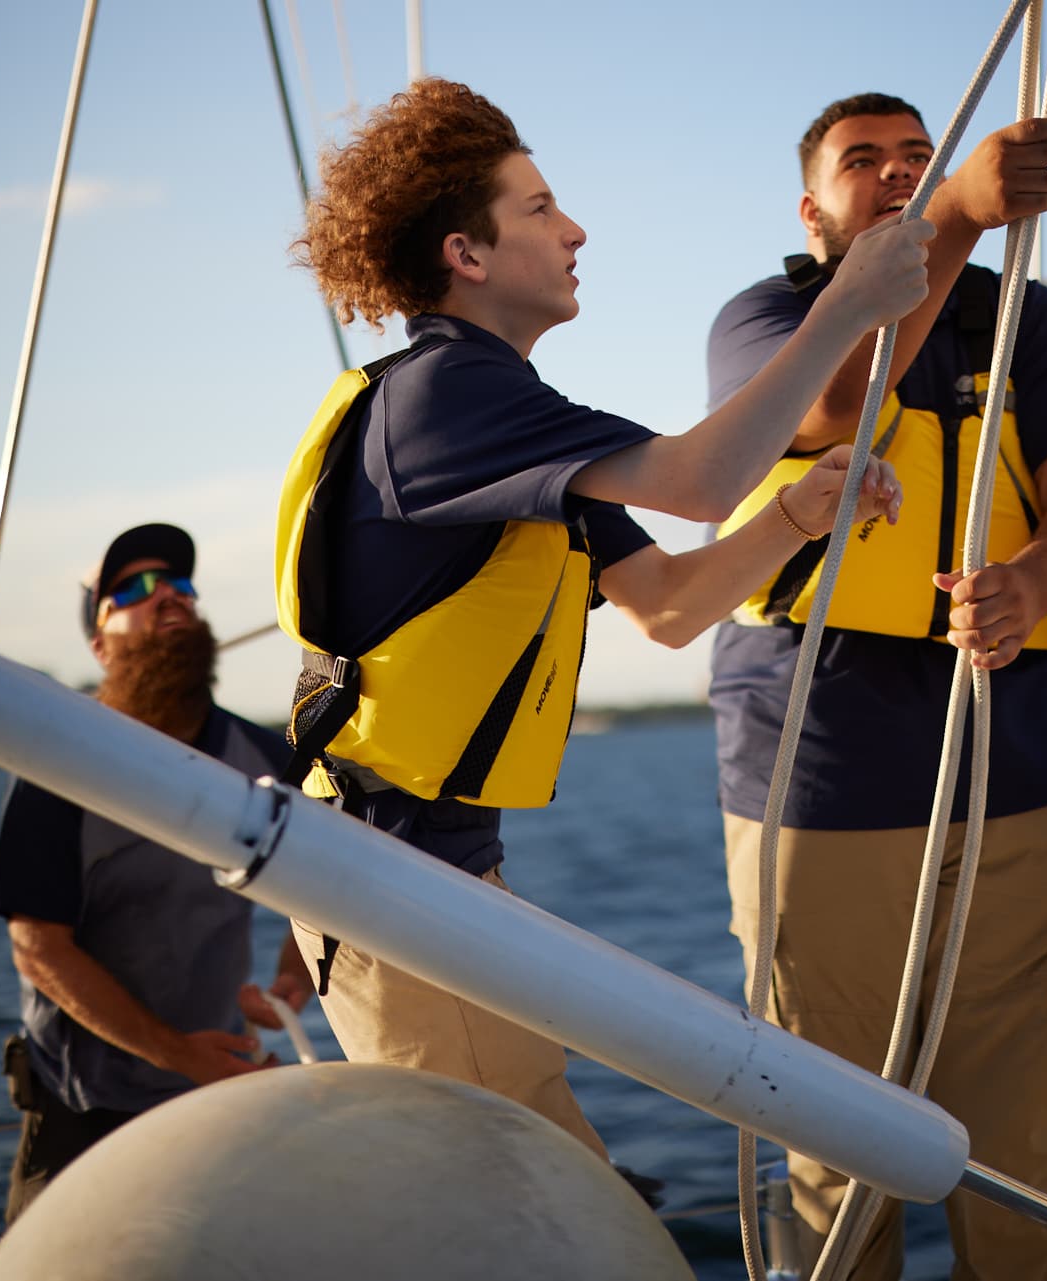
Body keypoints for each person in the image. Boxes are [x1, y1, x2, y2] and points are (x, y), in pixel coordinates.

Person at [276, 78, 924, 1165]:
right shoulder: (449, 399)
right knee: (526, 1207)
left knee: (536, 1202)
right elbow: (709, 477)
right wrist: (849, 306)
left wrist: (803, 514)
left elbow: (669, 607)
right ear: (466, 256)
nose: (574, 229)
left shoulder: (507, 420)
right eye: (538, 210)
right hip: (397, 884)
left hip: (430, 879)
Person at [705, 94, 1047, 1280]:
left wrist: (1034, 581)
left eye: (918, 160)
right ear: (812, 207)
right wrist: (949, 213)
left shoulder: (1032, 326)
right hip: (821, 783)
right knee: (834, 1152)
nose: (895, 175)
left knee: (1013, 1154)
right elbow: (830, 407)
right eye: (865, 163)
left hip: (1028, 776)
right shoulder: (766, 320)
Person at [0, 522, 312, 1223]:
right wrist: (176, 1053)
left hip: (213, 1093)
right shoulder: (57, 767)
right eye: (133, 587)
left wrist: (295, 973)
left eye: (179, 583)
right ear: (100, 642)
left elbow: (326, 892)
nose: (166, 592)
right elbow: (38, 948)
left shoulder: (261, 760)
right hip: (84, 1111)